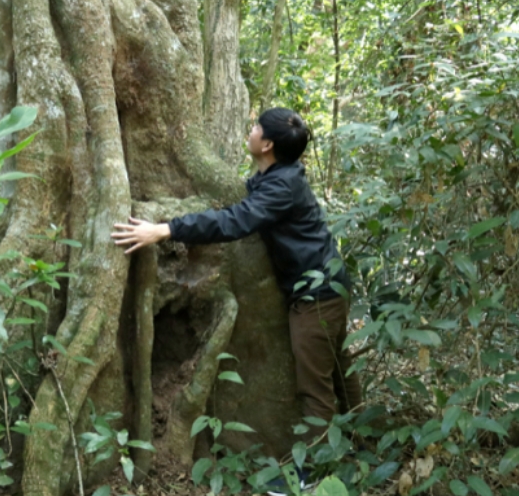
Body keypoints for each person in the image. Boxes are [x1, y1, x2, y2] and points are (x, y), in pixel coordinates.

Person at [111, 107, 362, 451]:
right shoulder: (278, 176)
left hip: (317, 297)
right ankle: (363, 439)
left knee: (315, 387)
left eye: (257, 127)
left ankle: (311, 470)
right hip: (329, 285)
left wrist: (166, 229)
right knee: (337, 368)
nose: (252, 129)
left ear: (267, 144)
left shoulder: (282, 187)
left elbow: (233, 222)